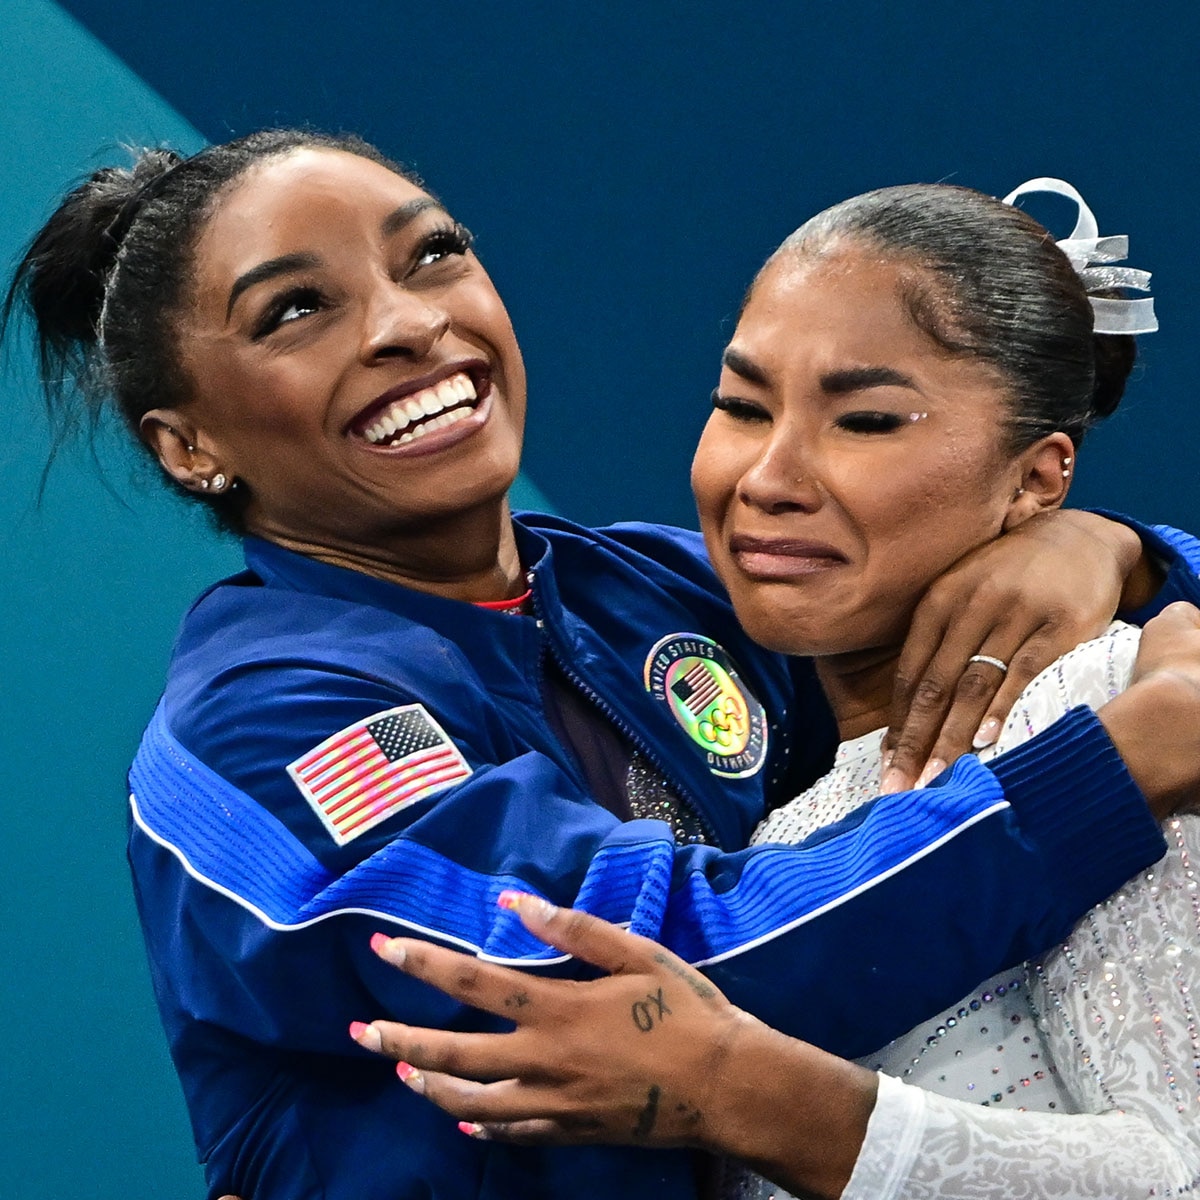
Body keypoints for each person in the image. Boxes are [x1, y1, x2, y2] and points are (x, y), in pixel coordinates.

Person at [6, 134, 1200, 1200]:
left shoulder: (663, 589)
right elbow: (664, 979)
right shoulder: (262, 728)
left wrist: (1118, 552)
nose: (409, 322)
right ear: (189, 444)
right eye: (294, 311)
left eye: (431, 256)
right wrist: (1110, 771)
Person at [348, 180, 1200, 1198]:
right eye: (741, 407)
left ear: (1036, 477)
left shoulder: (1130, 710)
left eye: (869, 420)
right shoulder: (770, 803)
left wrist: (743, 1091)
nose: (769, 476)